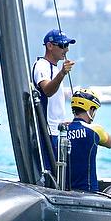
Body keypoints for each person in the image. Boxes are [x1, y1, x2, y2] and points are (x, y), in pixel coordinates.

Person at [33, 29, 76, 171]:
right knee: (52, 170)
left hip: (57, 130)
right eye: (63, 46)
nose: (66, 49)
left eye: (67, 45)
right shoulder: (42, 65)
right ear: (49, 46)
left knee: (61, 171)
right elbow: (47, 91)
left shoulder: (54, 68)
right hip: (49, 131)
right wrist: (63, 73)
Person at [65, 88, 111, 191]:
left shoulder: (63, 130)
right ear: (90, 109)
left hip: (65, 191)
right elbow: (110, 143)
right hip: (88, 190)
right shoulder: (95, 129)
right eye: (94, 109)